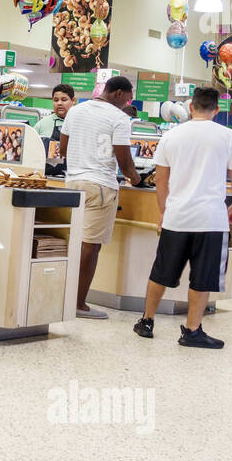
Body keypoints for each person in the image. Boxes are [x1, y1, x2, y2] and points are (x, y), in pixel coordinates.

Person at [133, 87, 232, 349]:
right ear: (217, 110)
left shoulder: (171, 136)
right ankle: (192, 331)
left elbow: (161, 179)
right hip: (211, 218)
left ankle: (147, 321)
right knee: (203, 276)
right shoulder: (228, 137)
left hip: (177, 216)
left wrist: (163, 211)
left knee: (161, 271)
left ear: (191, 107)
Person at [60, 75, 140, 319]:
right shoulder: (120, 118)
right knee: (90, 247)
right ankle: (78, 304)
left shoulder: (76, 111)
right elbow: (124, 160)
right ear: (117, 93)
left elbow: (63, 148)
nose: (128, 103)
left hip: (72, 183)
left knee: (73, 242)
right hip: (101, 186)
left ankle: (64, 298)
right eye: (128, 99)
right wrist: (136, 178)